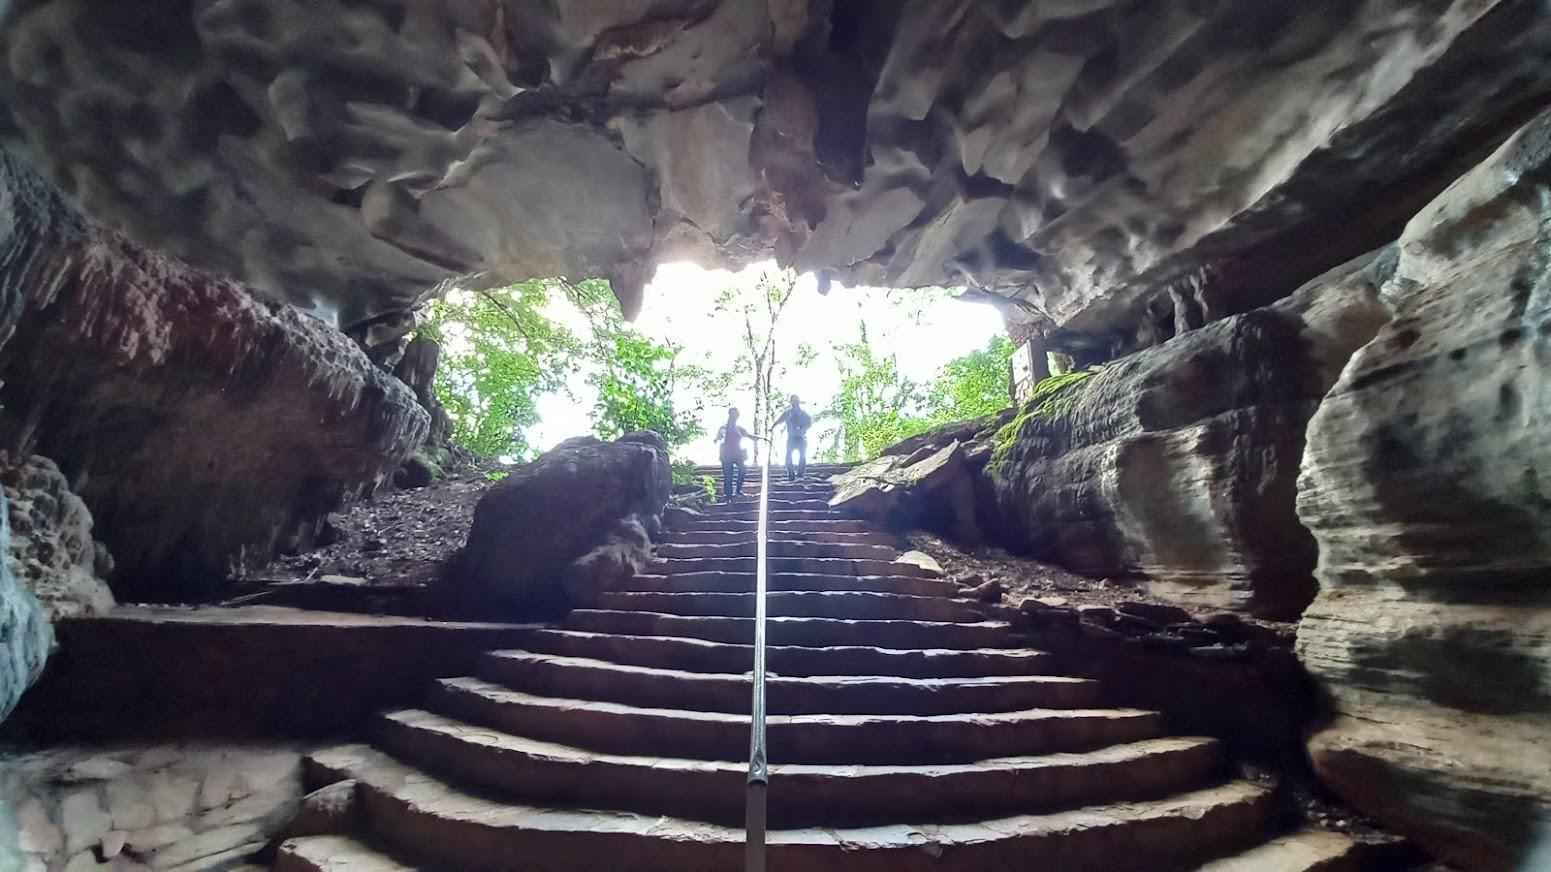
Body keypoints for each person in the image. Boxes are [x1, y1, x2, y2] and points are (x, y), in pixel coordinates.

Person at [714, 407, 758, 500]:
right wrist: (718, 438)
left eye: (736, 414)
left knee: (742, 470)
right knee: (728, 475)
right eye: (733, 414)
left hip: (738, 453)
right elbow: (720, 434)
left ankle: (738, 491)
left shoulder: (739, 428)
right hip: (727, 454)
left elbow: (749, 435)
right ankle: (728, 495)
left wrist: (757, 437)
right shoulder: (724, 427)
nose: (734, 416)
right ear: (729, 415)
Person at [773, 394, 812, 482]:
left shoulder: (803, 413)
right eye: (793, 401)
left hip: (801, 438)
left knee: (802, 456)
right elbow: (779, 420)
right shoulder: (787, 413)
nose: (795, 402)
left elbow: (809, 423)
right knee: (788, 456)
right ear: (791, 402)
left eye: (796, 400)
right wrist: (772, 427)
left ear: (798, 401)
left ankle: (800, 474)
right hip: (791, 438)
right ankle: (791, 474)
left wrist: (803, 428)